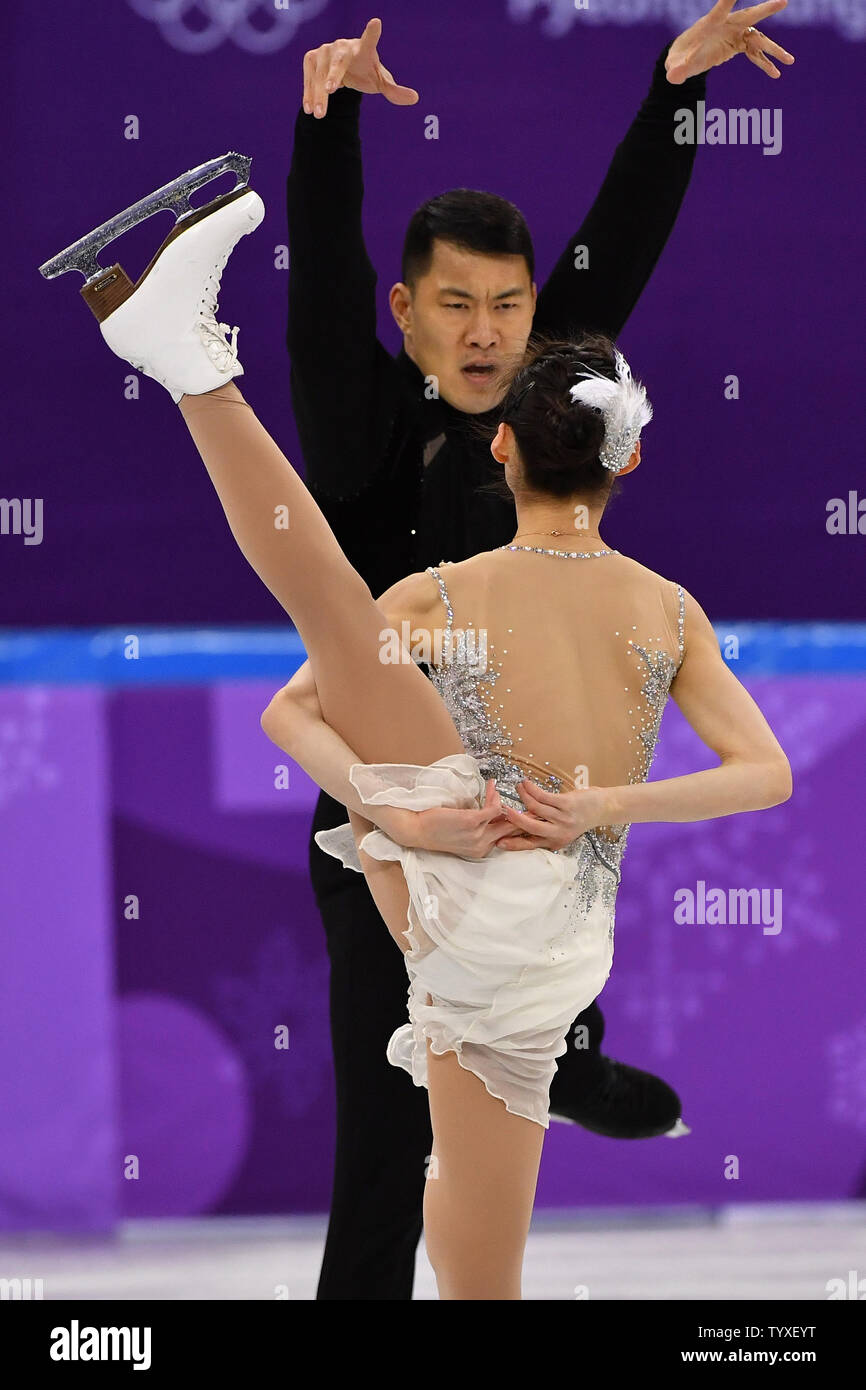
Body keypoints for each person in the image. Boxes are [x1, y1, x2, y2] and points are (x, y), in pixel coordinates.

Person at [53, 182, 791, 1296]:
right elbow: (764, 775)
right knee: (477, 1270)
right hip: (540, 938)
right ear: (625, 460)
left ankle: (194, 367)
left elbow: (286, 708)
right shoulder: (669, 608)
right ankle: (183, 357)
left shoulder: (440, 594)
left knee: (330, 600)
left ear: (500, 448)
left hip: (489, 885)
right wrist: (590, 807)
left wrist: (387, 805)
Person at [286, 6, 795, 1297]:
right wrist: (328, 122)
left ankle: (562, 1055)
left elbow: (608, 257)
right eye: (453, 304)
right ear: (409, 311)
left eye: (508, 307)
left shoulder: (538, 398)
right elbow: (327, 283)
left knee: (517, 1054)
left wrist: (674, 93)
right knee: (388, 1144)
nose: (485, 332)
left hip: (534, 838)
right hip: (392, 834)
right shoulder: (356, 419)